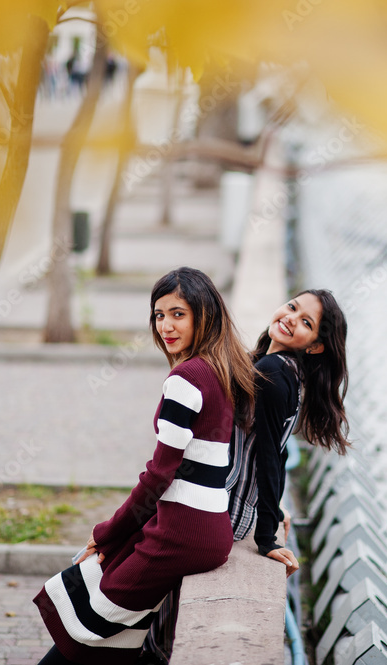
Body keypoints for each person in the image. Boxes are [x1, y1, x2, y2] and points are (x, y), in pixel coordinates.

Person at [33, 267, 257, 665]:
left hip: (182, 534)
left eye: (178, 314)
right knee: (123, 630)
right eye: (159, 315)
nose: (166, 326)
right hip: (210, 531)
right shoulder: (221, 370)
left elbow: (159, 474)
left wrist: (105, 531)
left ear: (204, 315)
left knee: (89, 622)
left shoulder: (186, 379)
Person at [227, 289, 350, 577]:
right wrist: (277, 510)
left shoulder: (271, 373)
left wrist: (267, 536)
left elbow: (269, 455)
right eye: (292, 307)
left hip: (226, 509)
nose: (291, 319)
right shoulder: (288, 372)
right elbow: (280, 451)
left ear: (315, 346)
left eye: (306, 323)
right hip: (237, 506)